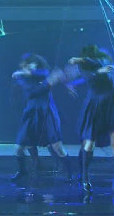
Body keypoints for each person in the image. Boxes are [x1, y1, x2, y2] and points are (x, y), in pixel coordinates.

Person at [68, 45, 114, 193]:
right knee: (89, 143)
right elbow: (88, 77)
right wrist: (96, 71)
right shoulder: (86, 69)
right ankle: (85, 179)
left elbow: (103, 67)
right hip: (96, 106)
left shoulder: (104, 62)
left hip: (112, 106)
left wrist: (81, 60)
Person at [10, 54, 71, 183]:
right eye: (28, 64)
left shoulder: (42, 73)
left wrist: (48, 81)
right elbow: (32, 92)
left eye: (33, 64)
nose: (30, 66)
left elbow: (45, 73)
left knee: (57, 146)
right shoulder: (22, 78)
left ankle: (69, 173)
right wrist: (47, 84)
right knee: (19, 147)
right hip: (31, 113)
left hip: (47, 113)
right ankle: (23, 171)